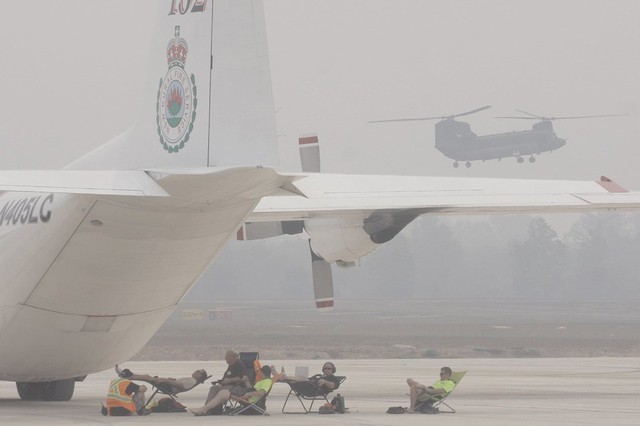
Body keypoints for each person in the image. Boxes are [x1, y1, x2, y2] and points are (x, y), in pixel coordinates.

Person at [189, 365, 273, 416]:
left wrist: (249, 394)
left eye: (260, 372)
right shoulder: (262, 381)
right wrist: (247, 382)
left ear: (263, 373)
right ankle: (209, 409)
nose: (259, 373)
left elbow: (261, 393)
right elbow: (252, 389)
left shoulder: (267, 381)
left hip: (248, 400)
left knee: (222, 393)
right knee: (222, 393)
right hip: (246, 398)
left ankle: (204, 409)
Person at [115, 365, 208, 393]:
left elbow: (181, 386)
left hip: (169, 387)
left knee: (147, 377)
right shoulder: (191, 379)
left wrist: (165, 380)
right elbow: (179, 383)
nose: (195, 371)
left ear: (199, 376)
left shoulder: (192, 380)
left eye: (198, 371)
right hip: (169, 385)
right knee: (147, 377)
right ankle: (127, 375)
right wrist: (172, 379)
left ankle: (126, 376)